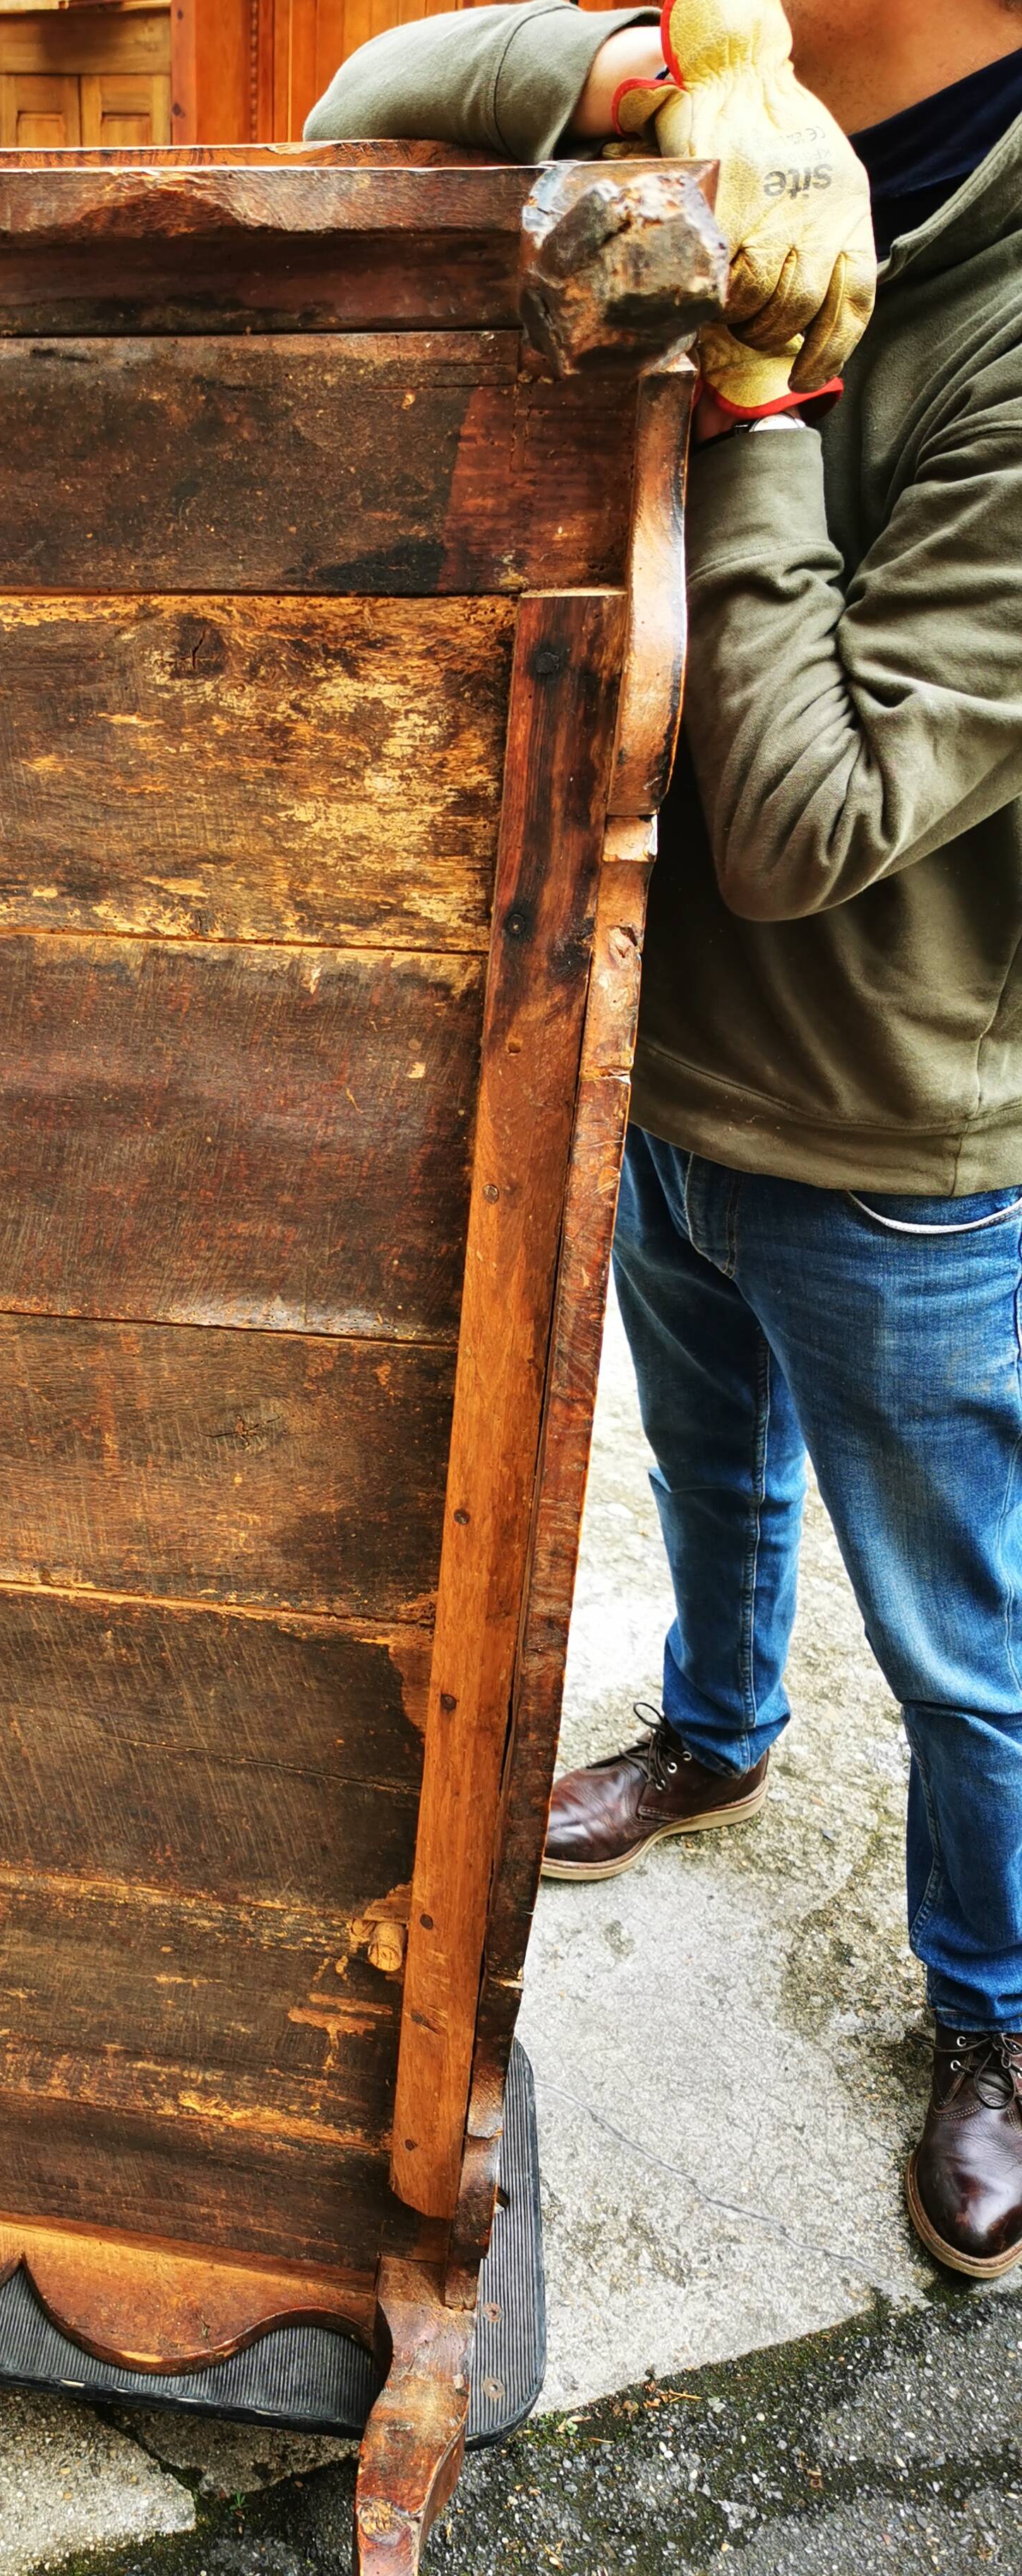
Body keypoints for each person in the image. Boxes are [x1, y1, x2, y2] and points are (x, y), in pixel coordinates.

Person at [308, 0, 1022, 2279]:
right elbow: (362, 102)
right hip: (653, 1049)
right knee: (710, 1475)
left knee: (972, 1644)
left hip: (892, 1117)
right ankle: (716, 1733)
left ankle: (1001, 2018)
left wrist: (769, 390)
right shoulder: (750, 83)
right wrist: (646, 77)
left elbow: (810, 821)